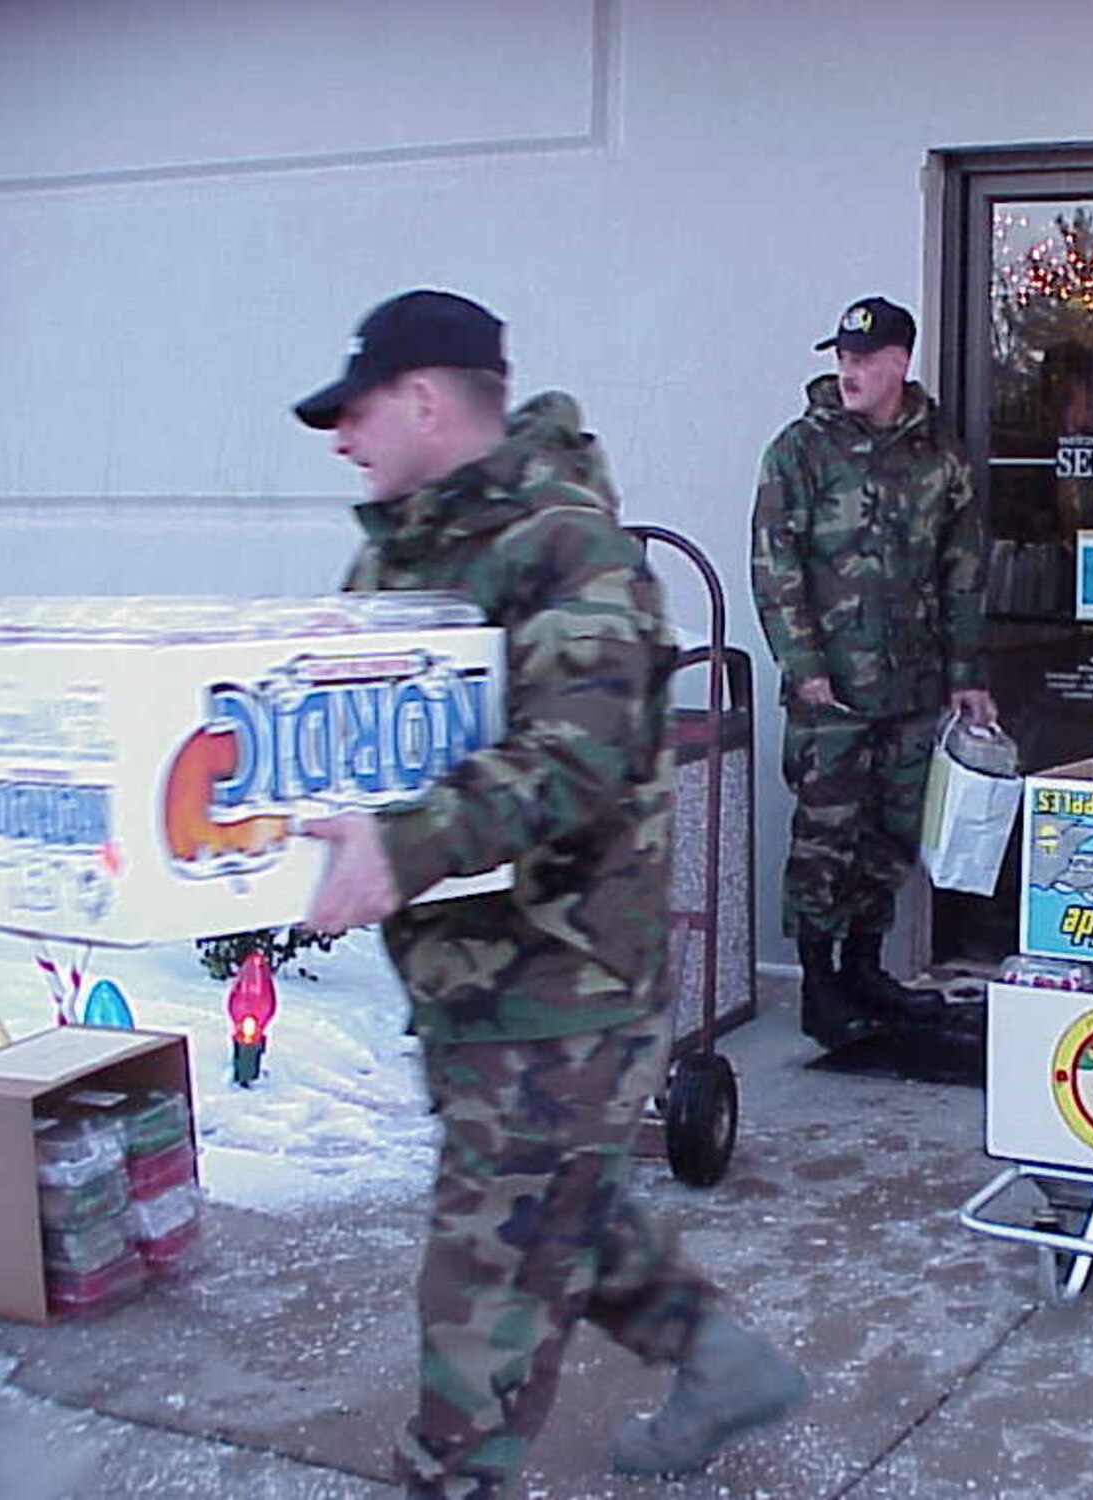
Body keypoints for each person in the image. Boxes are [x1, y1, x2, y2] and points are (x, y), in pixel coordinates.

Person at [291, 288, 804, 1498]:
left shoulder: (570, 550)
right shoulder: (399, 547)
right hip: (470, 977)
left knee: (486, 1278)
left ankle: (450, 1482)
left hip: (563, 985)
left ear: (424, 398)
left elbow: (574, 759)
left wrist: (399, 851)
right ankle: (720, 1362)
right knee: (563, 1205)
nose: (338, 438)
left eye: (354, 410)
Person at [751, 295, 996, 1050]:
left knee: (892, 835)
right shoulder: (801, 450)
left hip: (914, 685)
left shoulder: (939, 455)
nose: (848, 370)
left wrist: (965, 670)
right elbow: (774, 564)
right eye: (843, 357)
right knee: (826, 836)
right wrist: (803, 665)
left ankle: (865, 968)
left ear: (900, 362)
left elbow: (963, 568)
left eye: (864, 358)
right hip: (833, 691)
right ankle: (821, 983)